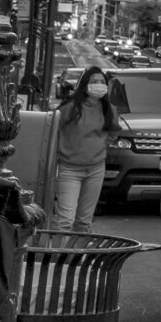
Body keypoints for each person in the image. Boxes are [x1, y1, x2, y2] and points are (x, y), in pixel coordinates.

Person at [51, 67, 119, 233]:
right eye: (94, 81)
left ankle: (78, 256)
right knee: (65, 221)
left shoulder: (109, 109)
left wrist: (103, 145)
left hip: (96, 169)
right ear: (84, 84)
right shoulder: (70, 107)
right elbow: (52, 128)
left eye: (102, 82)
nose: (99, 85)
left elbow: (114, 130)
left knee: (84, 222)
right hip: (69, 169)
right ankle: (59, 257)